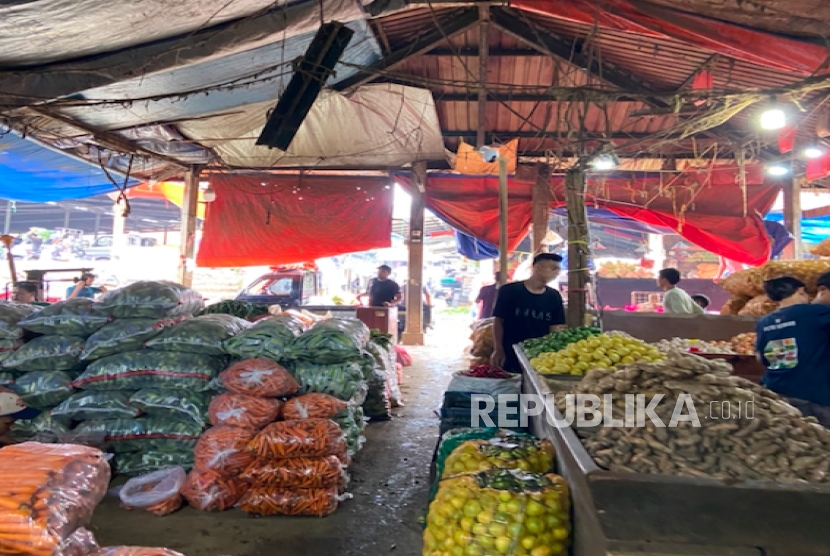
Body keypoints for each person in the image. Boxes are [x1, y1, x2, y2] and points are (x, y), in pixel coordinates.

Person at [755, 276, 830, 426]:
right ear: (801, 291)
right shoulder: (815, 313)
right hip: (813, 397)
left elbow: (760, 357)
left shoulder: (764, 322)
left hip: (777, 392)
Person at [491, 254, 566, 372]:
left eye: (558, 269)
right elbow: (498, 321)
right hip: (510, 353)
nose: (557, 272)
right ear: (538, 267)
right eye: (553, 268)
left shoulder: (554, 296)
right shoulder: (509, 291)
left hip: (540, 357)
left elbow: (554, 327)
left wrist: (554, 354)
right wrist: (498, 349)